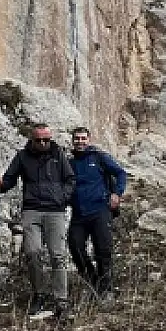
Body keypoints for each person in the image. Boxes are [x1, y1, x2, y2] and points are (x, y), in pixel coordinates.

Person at [0, 122, 75, 314]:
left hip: (55, 211)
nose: (43, 143)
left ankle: (61, 300)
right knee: (32, 252)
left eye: (46, 139)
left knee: (58, 255)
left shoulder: (58, 154)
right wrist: (0, 184)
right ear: (32, 140)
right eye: (39, 140)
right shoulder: (22, 156)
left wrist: (62, 197)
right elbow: (9, 179)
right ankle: (40, 293)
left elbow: (70, 180)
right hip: (32, 211)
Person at [66, 126, 128, 299]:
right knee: (75, 246)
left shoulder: (99, 157)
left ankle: (106, 289)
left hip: (100, 210)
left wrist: (117, 193)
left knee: (103, 250)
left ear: (89, 140)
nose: (80, 142)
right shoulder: (69, 163)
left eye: (83, 138)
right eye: (77, 139)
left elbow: (121, 173)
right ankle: (93, 282)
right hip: (79, 214)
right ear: (73, 141)